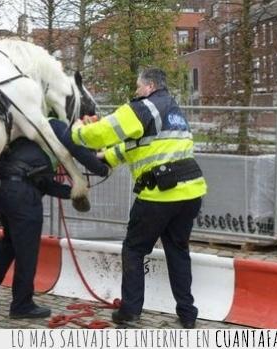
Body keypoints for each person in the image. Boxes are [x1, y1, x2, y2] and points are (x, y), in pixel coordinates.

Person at [71, 67, 207, 328]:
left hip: (159, 195)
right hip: (190, 193)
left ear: (150, 86)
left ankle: (130, 311)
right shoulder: (174, 111)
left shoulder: (145, 107)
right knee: (178, 252)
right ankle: (188, 313)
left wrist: (77, 132)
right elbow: (141, 145)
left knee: (134, 249)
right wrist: (107, 157)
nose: (135, 91)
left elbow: (103, 132)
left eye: (137, 87)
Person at [0, 117, 109, 319]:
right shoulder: (56, 126)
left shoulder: (33, 136)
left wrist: (73, 192)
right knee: (27, 250)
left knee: (10, 240)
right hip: (20, 193)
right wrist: (103, 169)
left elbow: (44, 183)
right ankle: (22, 305)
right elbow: (81, 152)